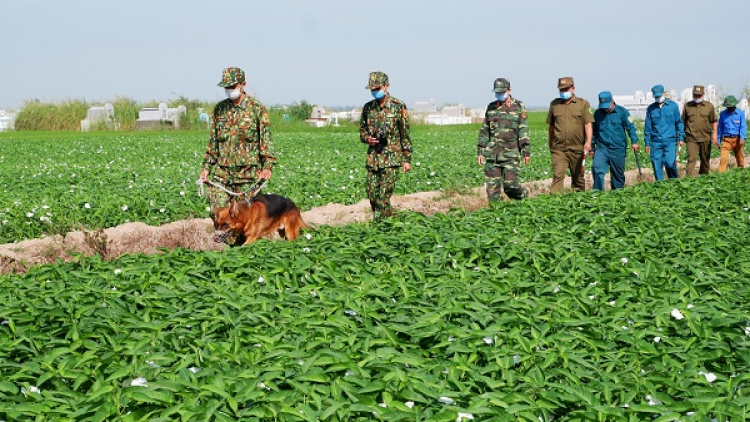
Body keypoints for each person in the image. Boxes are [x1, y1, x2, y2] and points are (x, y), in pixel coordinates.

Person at [199, 67, 277, 243]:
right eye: (226, 86)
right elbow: (214, 142)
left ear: (243, 84)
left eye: (233, 85)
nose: (229, 89)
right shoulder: (220, 110)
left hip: (247, 176)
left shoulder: (257, 109)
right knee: (218, 211)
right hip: (222, 174)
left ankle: (242, 252)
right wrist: (206, 168)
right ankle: (227, 246)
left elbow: (266, 140)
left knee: (244, 218)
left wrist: (267, 167)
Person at [359, 71, 412, 222]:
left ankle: (382, 225)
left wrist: (407, 158)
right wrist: (367, 138)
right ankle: (387, 219)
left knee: (383, 196)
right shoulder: (368, 108)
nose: (374, 92)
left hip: (391, 158)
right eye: (372, 89)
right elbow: (362, 130)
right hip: (373, 158)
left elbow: (405, 134)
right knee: (371, 193)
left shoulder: (398, 106)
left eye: (377, 88)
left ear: (386, 86)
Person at [476, 78, 530, 201]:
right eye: (497, 92)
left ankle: (523, 196)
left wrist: (526, 151)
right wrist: (481, 151)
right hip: (493, 155)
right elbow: (485, 130)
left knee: (510, 185)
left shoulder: (518, 106)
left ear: (509, 90)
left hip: (511, 154)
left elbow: (523, 130)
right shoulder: (491, 107)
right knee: (492, 191)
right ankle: (497, 214)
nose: (499, 94)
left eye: (502, 92)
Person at [546, 77, 593, 193]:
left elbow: (588, 124)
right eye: (561, 90)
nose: (563, 92)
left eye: (566, 89)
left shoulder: (583, 104)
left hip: (577, 148)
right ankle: (554, 205)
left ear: (573, 88)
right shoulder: (554, 105)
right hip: (559, 148)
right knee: (558, 175)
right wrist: (550, 143)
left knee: (578, 178)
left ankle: (579, 202)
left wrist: (588, 142)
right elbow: (551, 127)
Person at [591, 91, 639, 190]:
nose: (605, 108)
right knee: (597, 168)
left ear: (612, 102)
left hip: (618, 148)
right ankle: (598, 194)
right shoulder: (597, 114)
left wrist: (634, 141)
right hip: (602, 148)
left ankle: (617, 196)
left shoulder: (622, 112)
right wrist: (592, 147)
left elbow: (630, 127)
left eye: (606, 106)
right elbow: (593, 131)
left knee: (618, 175)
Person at [644, 84, 684, 181]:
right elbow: (648, 127)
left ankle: (674, 182)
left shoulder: (673, 106)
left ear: (663, 94)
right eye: (656, 97)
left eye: (659, 96)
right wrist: (647, 143)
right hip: (656, 141)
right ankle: (660, 187)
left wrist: (681, 138)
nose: (658, 98)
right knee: (657, 166)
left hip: (670, 141)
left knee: (670, 164)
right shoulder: (651, 109)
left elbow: (679, 123)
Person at [681, 85, 717, 176]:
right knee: (691, 159)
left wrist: (715, 134)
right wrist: (682, 135)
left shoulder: (709, 106)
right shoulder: (687, 106)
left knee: (705, 159)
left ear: (703, 94)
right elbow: (683, 121)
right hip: (691, 138)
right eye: (695, 95)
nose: (697, 97)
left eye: (699, 95)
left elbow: (714, 121)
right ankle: (689, 180)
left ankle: (704, 179)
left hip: (705, 138)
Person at [716, 95, 747, 172]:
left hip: (738, 139)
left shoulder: (740, 113)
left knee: (740, 159)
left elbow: (743, 126)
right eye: (727, 107)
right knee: (723, 159)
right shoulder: (722, 114)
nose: (729, 108)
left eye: (731, 106)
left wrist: (742, 138)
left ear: (734, 105)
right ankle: (720, 177)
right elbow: (720, 128)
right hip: (726, 140)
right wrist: (718, 140)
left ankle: (742, 174)